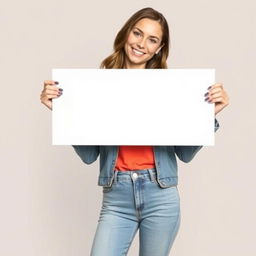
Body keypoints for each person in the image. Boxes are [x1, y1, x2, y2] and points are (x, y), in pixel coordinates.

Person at [40, 7, 229, 256]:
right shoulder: (95, 88)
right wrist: (62, 111)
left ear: (159, 48)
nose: (141, 44)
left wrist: (209, 114)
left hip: (160, 194)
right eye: (137, 33)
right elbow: (89, 156)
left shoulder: (173, 90)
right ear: (126, 33)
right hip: (116, 197)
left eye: (152, 40)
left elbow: (185, 153)